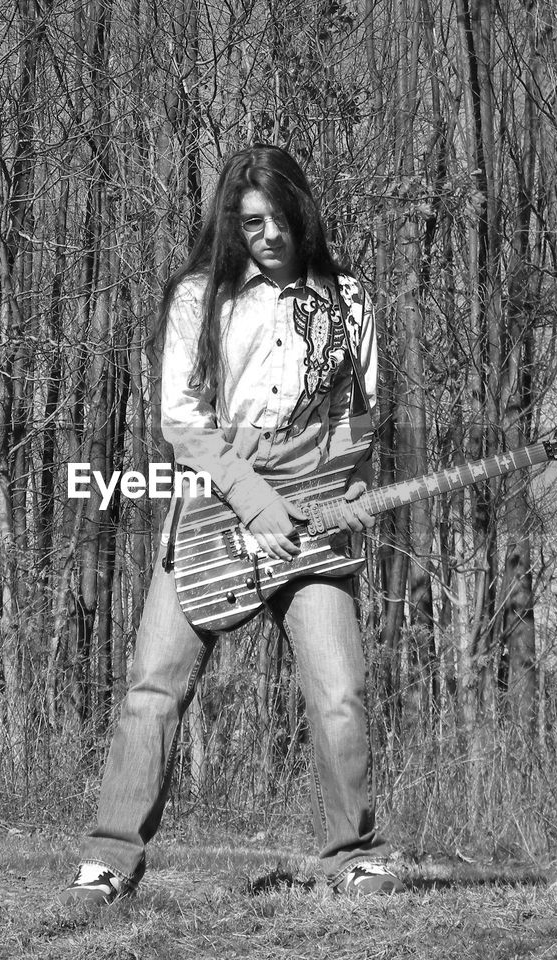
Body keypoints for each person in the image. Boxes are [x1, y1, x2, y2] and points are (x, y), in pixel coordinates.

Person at [59, 144, 401, 905]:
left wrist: (339, 488)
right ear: (232, 223)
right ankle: (110, 859)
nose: (270, 234)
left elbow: (363, 416)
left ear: (302, 213)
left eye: (281, 217)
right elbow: (183, 423)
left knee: (339, 692)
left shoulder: (349, 297)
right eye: (253, 221)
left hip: (316, 510)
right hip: (219, 502)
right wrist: (257, 501)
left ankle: (355, 856)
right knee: (154, 685)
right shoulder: (198, 297)